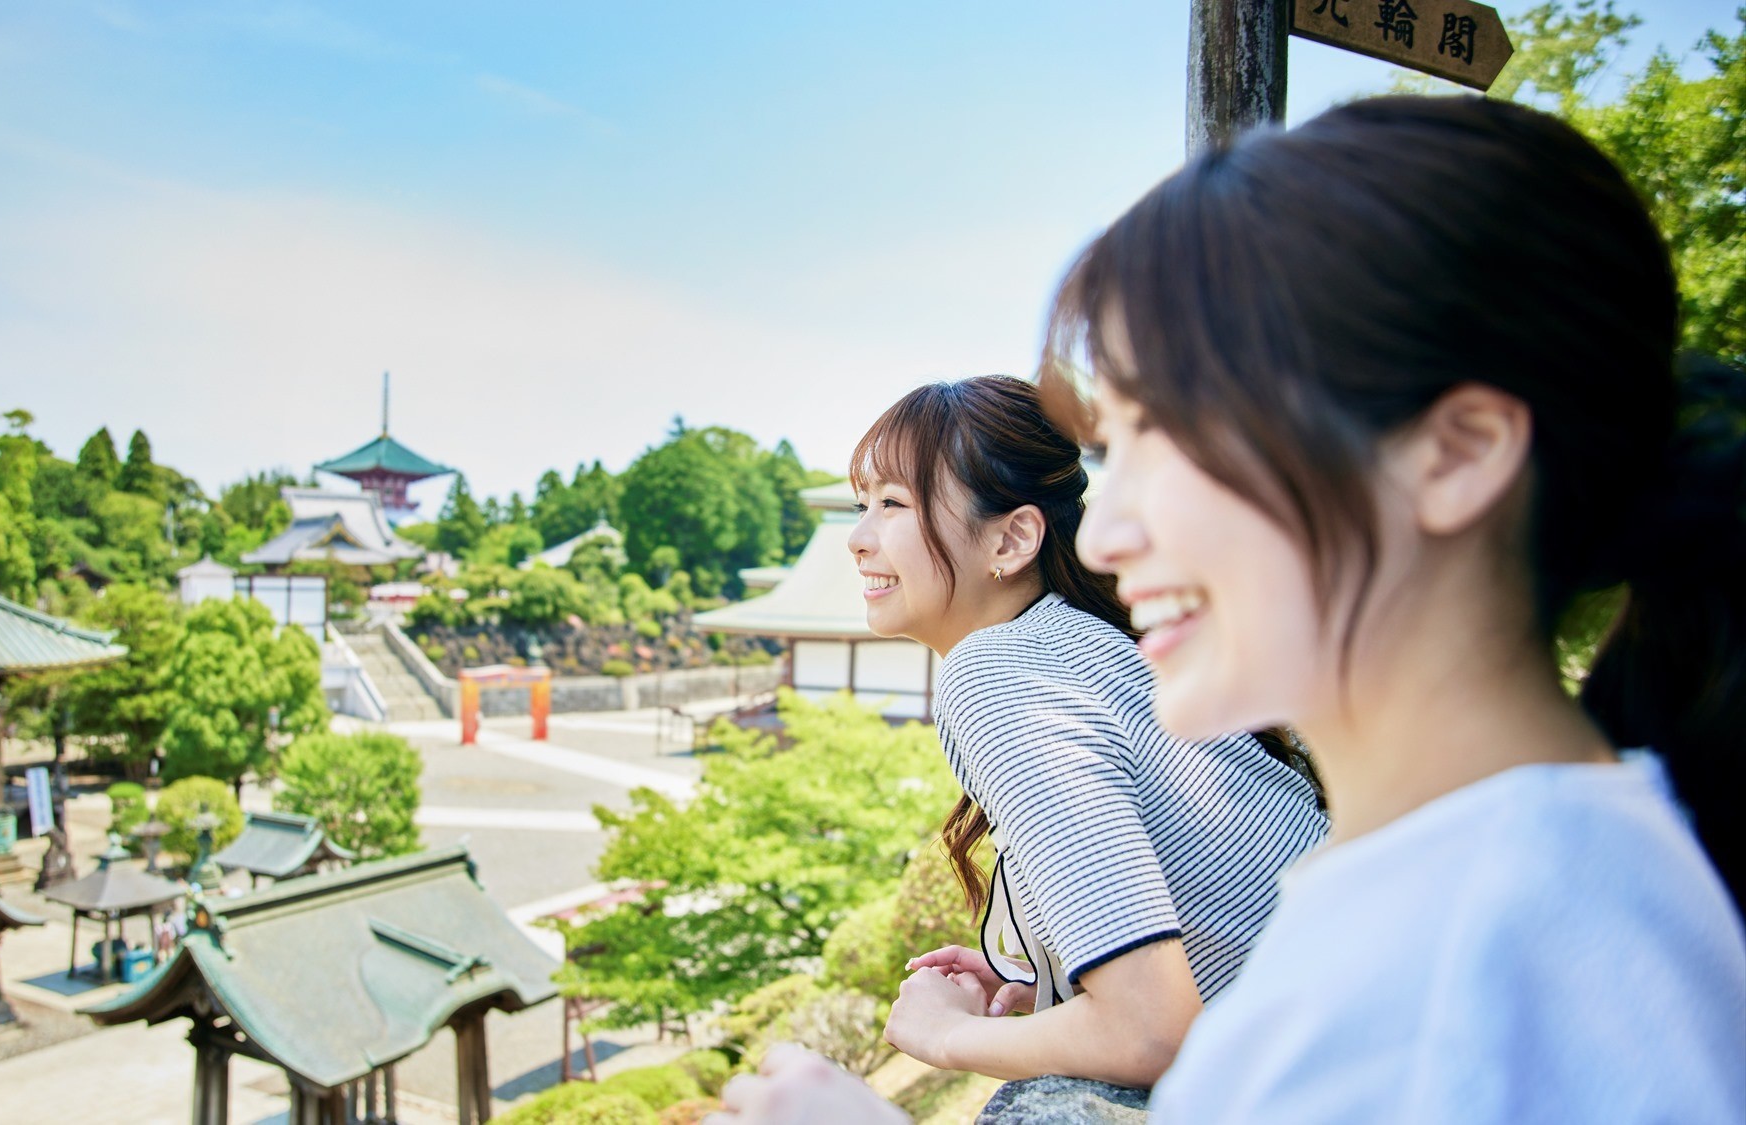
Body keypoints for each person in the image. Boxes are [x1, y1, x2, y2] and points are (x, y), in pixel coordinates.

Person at [719, 94, 1745, 1123]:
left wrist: (888, 1089)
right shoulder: (1520, 882)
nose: (1106, 530)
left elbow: (1159, 1030)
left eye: (1168, 439)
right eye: (1108, 452)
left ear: (1457, 453)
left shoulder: (1477, 944)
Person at [844, 376, 1324, 1091]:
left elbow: (1149, 1029)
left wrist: (944, 1034)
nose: (857, 539)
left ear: (1011, 537)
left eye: (893, 505)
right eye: (862, 505)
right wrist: (1040, 958)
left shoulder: (992, 674)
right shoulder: (1083, 640)